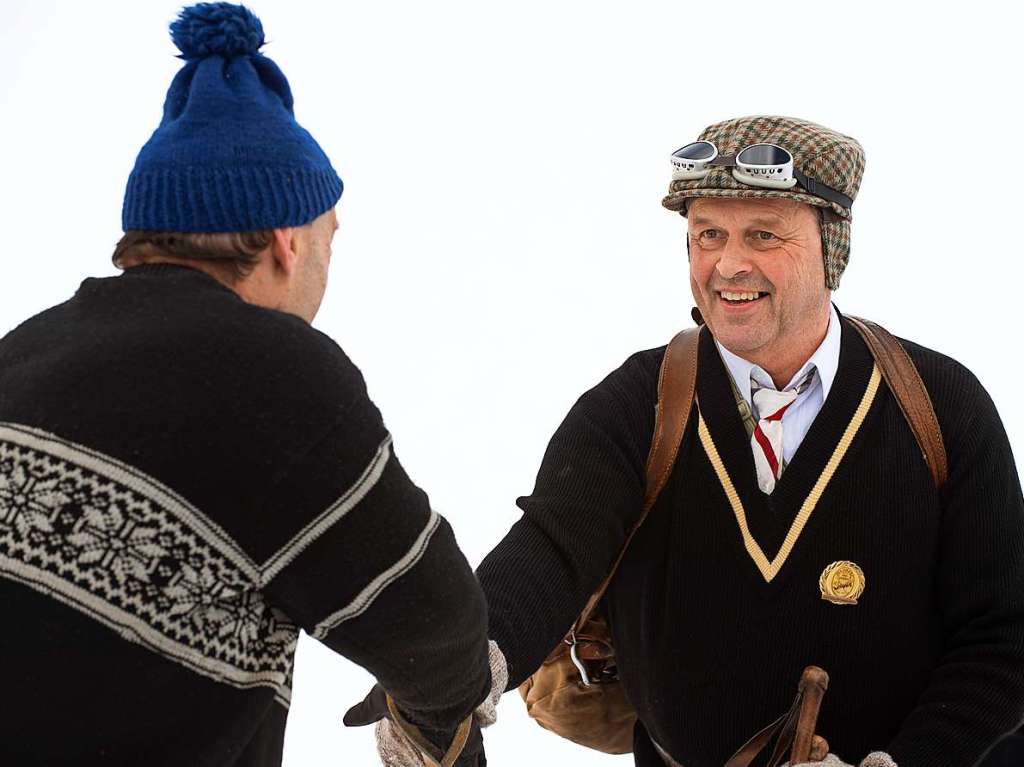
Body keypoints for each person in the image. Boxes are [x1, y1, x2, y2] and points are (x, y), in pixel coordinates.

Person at [0, 4, 498, 765]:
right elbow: (434, 630)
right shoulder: (277, 378)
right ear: (285, 243)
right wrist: (446, 712)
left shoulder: (26, 347)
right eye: (331, 236)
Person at [475, 115, 1024, 766]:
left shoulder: (941, 405)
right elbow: (551, 552)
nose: (728, 264)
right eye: (708, 234)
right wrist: (456, 667)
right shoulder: (633, 407)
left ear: (832, 248)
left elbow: (1004, 635)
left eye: (763, 234)